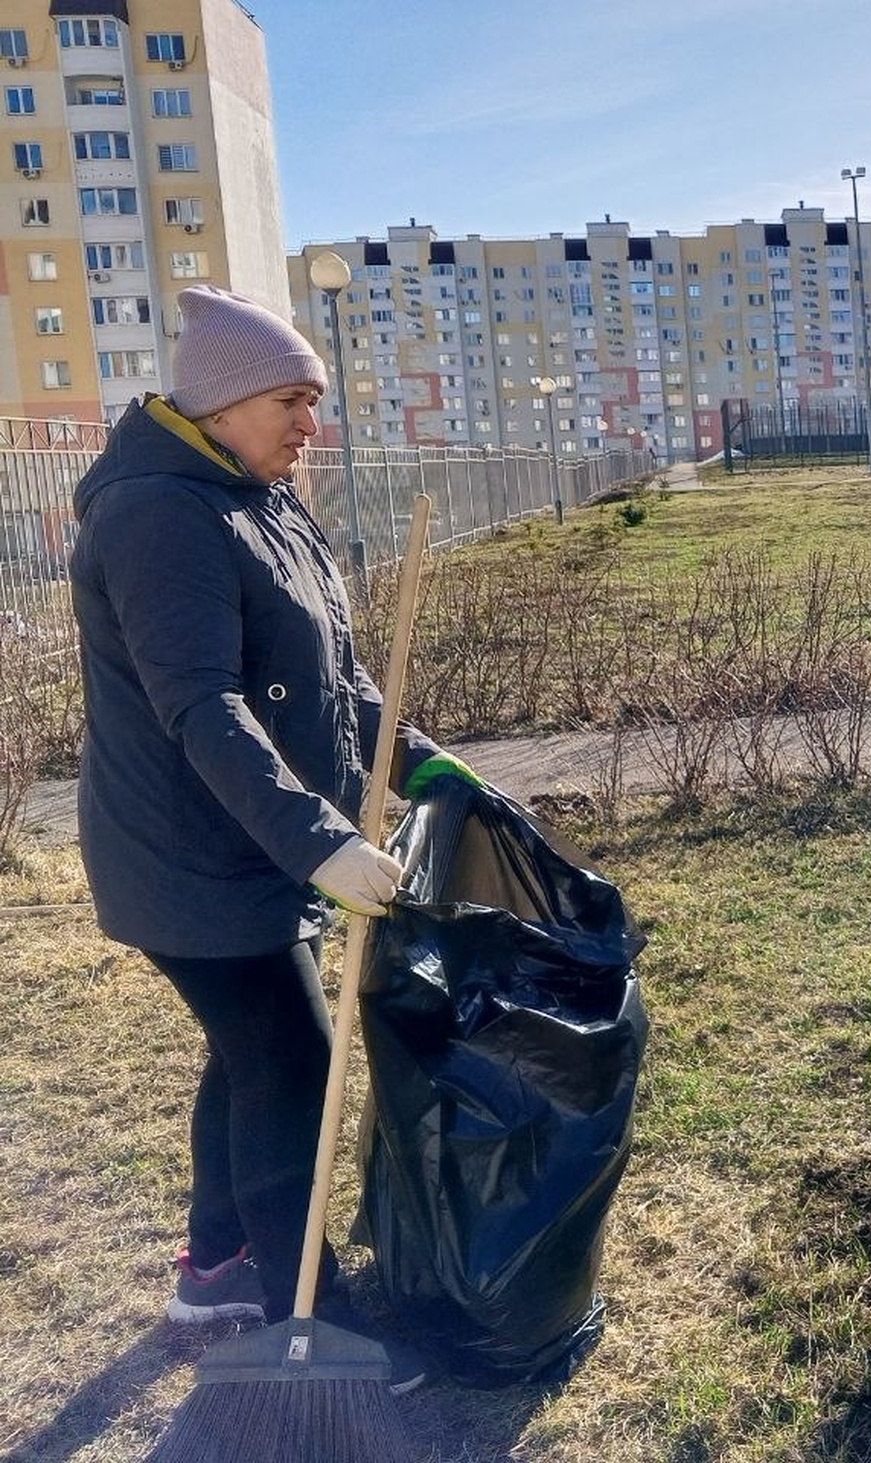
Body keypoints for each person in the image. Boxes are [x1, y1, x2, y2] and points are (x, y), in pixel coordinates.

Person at [67, 285, 474, 1385]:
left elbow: (333, 677)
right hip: (189, 855)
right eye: (293, 399)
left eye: (314, 400)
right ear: (225, 401)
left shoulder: (260, 498)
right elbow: (201, 705)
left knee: (249, 1052)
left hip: (255, 842)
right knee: (289, 1058)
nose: (311, 423)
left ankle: (216, 1268)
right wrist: (319, 840)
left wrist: (417, 757)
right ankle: (311, 1315)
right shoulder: (159, 513)